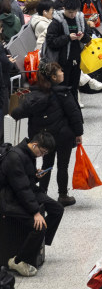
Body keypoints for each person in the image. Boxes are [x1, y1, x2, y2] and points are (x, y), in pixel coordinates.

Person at [10, 61, 81, 206]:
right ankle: (62, 195)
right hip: (63, 136)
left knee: (46, 164)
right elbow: (74, 114)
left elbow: (17, 113)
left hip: (44, 138)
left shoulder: (35, 94)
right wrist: (78, 133)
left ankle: (41, 194)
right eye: (60, 70)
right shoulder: (63, 93)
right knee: (62, 165)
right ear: (54, 77)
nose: (62, 72)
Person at [0, 132, 63, 277]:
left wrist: (35, 175)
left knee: (57, 209)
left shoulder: (28, 153)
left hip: (27, 191)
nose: (41, 155)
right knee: (39, 226)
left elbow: (25, 181)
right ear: (35, 145)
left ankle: (38, 242)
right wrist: (36, 212)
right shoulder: (15, 157)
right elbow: (21, 189)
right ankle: (18, 260)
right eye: (42, 152)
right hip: (11, 198)